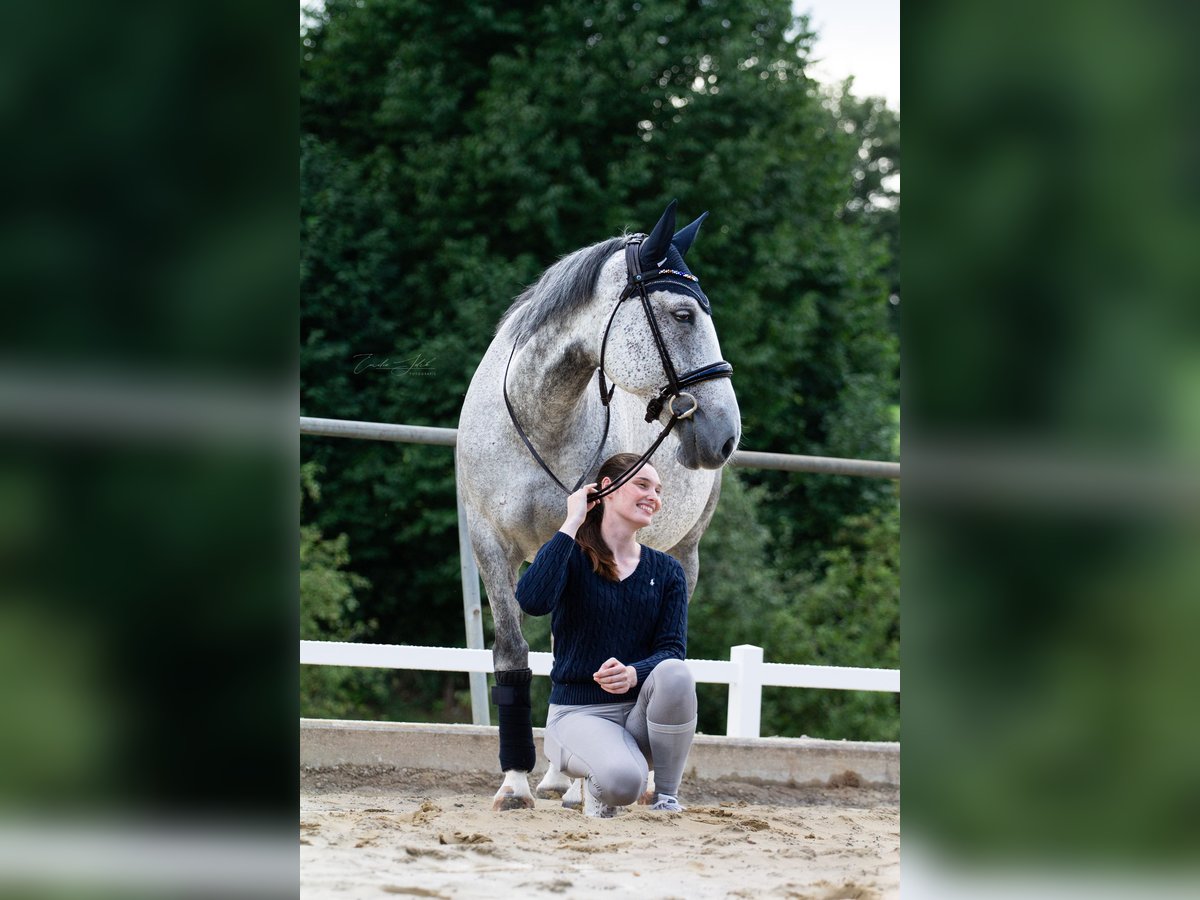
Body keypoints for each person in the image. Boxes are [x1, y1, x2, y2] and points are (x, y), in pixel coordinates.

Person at [516, 452, 698, 818]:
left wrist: (634, 673)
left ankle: (666, 797)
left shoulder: (667, 571)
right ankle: (599, 780)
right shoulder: (571, 555)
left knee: (676, 673)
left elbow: (671, 650)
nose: (654, 496)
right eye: (642, 484)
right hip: (578, 715)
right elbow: (532, 600)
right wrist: (572, 521)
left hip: (639, 719)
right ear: (607, 490)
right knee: (622, 785)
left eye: (659, 490)